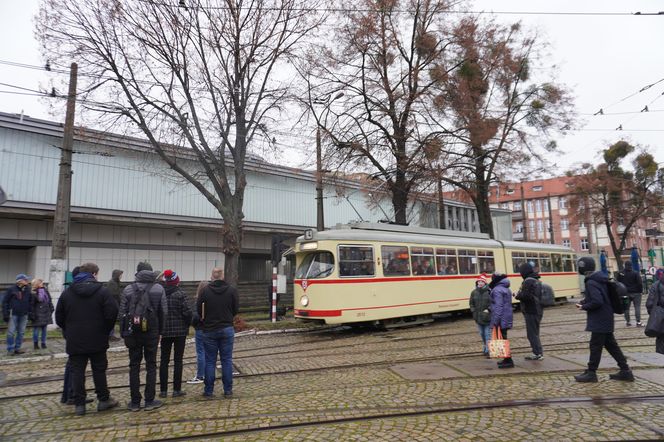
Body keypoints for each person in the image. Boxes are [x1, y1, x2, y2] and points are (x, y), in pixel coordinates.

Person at [55, 262, 119, 416]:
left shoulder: (67, 293)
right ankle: (103, 400)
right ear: (94, 274)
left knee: (77, 371)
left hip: (75, 339)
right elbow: (112, 312)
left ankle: (79, 404)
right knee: (99, 370)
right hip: (97, 338)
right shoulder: (102, 292)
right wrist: (104, 330)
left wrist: (69, 330)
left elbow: (59, 318)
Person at [574, 256, 634, 383]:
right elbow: (602, 297)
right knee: (611, 346)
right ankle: (625, 370)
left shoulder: (591, 282)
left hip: (599, 320)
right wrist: (585, 301)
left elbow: (597, 301)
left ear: (582, 267)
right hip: (606, 317)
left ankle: (591, 373)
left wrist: (583, 306)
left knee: (595, 346)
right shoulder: (600, 279)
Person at [119, 262, 167, 411]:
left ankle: (134, 402)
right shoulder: (159, 288)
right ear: (151, 272)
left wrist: (124, 333)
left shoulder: (128, 289)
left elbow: (121, 314)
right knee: (151, 365)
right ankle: (149, 400)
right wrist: (160, 331)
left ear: (137, 273)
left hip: (133, 332)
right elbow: (164, 312)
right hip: (151, 332)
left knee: (134, 365)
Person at [198, 267, 239, 398]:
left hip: (209, 329)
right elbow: (235, 309)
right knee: (226, 360)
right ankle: (228, 390)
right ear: (222, 277)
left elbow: (199, 310)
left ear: (212, 276)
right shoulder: (232, 290)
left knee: (210, 361)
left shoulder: (204, 291)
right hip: (227, 328)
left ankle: (208, 391)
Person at [159, 269, 192, 398]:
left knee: (164, 361)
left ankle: (163, 390)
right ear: (176, 281)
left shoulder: (160, 294)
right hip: (180, 332)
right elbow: (187, 312)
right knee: (178, 360)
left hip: (165, 331)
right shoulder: (181, 294)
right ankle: (176, 390)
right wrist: (187, 324)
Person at [515, 262, 544, 361]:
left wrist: (517, 295)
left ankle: (537, 353)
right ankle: (538, 352)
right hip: (537, 309)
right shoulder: (536, 280)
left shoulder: (528, 281)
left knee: (532, 333)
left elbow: (526, 296)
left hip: (531, 310)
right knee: (535, 332)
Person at [489, 272, 514, 368]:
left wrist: (495, 321)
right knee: (504, 338)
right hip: (506, 316)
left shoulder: (497, 290)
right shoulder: (505, 288)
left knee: (503, 339)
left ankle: (508, 360)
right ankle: (506, 359)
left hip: (501, 318)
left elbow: (498, 306)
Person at [3, 274, 32, 355]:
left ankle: (17, 348)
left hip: (24, 314)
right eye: (25, 280)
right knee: (11, 332)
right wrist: (5, 313)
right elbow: (5, 302)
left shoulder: (28, 289)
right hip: (13, 314)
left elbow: (30, 301)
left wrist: (30, 312)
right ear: (20, 281)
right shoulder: (11, 289)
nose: (27, 281)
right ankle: (10, 349)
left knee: (21, 332)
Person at [187, 281, 208, 385]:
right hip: (210, 329)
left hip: (200, 329)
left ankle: (200, 375)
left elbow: (194, 317)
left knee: (201, 352)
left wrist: (193, 323)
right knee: (210, 353)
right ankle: (209, 374)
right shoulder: (212, 300)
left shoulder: (197, 301)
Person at [469, 274, 491, 357]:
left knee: (487, 334)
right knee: (482, 333)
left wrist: (489, 309)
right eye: (479, 281)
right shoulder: (474, 292)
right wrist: (473, 311)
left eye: (482, 281)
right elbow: (471, 303)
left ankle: (487, 350)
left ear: (485, 283)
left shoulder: (489, 291)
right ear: (477, 282)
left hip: (487, 317)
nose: (480, 283)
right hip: (478, 317)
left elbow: (493, 302)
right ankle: (485, 346)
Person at [30, 278, 54, 350]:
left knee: (44, 329)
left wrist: (51, 308)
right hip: (37, 313)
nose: (42, 284)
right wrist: (32, 314)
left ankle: (43, 343)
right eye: (41, 282)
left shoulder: (45, 291)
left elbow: (49, 300)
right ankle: (35, 344)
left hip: (46, 312)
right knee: (36, 330)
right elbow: (31, 304)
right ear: (37, 284)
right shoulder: (33, 292)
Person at [618, 261, 643, 327]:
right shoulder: (635, 273)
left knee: (626, 308)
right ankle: (638, 322)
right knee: (637, 307)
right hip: (636, 293)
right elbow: (640, 283)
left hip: (625, 294)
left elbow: (618, 283)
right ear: (631, 265)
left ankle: (628, 322)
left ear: (624, 265)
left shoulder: (620, 273)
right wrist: (640, 291)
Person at [646, 268, 664, 354]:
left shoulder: (656, 285)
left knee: (661, 338)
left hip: (661, 318)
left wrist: (654, 313)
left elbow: (649, 304)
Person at [106, 269, 124, 340]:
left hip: (115, 302)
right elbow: (114, 294)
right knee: (113, 318)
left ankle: (111, 334)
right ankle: (110, 335)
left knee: (115, 318)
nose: (121, 276)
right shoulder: (112, 283)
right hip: (113, 303)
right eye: (120, 275)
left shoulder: (116, 282)